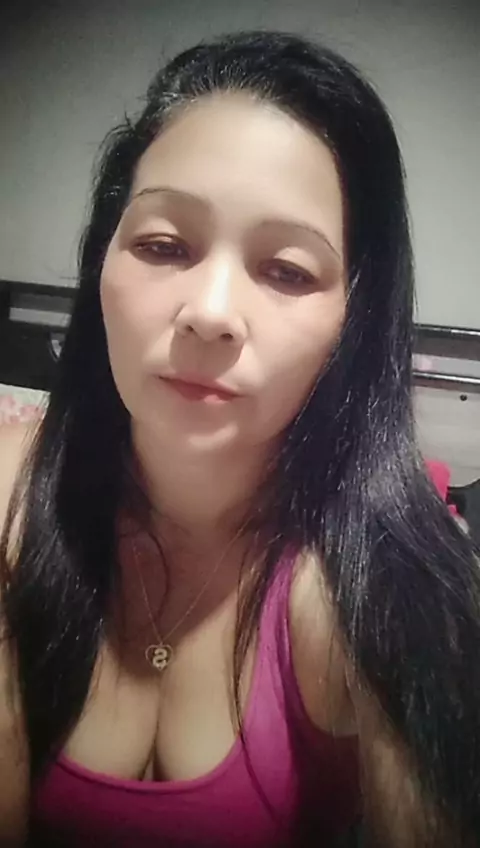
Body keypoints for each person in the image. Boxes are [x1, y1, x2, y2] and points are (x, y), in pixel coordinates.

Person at [0, 29, 479, 848]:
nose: (211, 312)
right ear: (101, 267)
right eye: (163, 245)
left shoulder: (376, 581)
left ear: (351, 322)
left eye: (287, 269)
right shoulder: (15, 493)